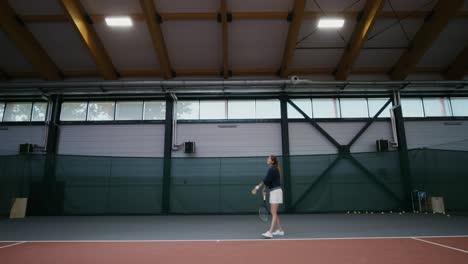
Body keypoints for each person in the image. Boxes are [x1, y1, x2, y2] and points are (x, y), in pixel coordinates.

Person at [252, 155, 284, 238]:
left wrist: (258, 187)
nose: (267, 159)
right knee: (274, 212)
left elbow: (266, 180)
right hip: (274, 191)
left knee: (273, 212)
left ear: (272, 161)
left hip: (276, 192)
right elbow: (269, 181)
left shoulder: (272, 169)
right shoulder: (273, 169)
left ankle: (270, 232)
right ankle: (280, 230)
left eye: (269, 158)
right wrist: (264, 189)